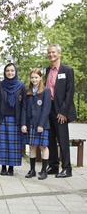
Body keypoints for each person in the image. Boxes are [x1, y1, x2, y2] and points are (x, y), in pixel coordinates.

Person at [45, 44, 77, 178]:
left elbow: (70, 92)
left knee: (63, 140)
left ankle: (66, 168)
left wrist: (63, 111)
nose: (51, 54)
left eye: (53, 52)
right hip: (49, 109)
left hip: (61, 110)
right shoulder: (47, 70)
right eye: (49, 52)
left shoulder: (67, 70)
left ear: (59, 53)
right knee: (50, 139)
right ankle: (53, 166)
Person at [0, 63, 26, 176]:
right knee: (2, 144)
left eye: (12, 70)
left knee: (13, 145)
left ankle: (11, 167)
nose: (10, 73)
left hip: (15, 120)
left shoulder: (21, 86)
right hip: (2, 119)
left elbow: (24, 106)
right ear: (4, 72)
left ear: (15, 72)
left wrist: (23, 123)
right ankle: (3, 167)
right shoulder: (0, 85)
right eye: (7, 71)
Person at [21, 68, 51, 180]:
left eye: (36, 77)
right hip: (30, 124)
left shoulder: (46, 91)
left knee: (43, 146)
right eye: (32, 77)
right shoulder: (27, 91)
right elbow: (23, 108)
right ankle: (32, 169)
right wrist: (23, 124)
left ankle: (43, 170)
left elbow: (46, 109)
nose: (34, 79)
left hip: (41, 124)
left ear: (40, 78)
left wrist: (41, 125)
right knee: (32, 146)